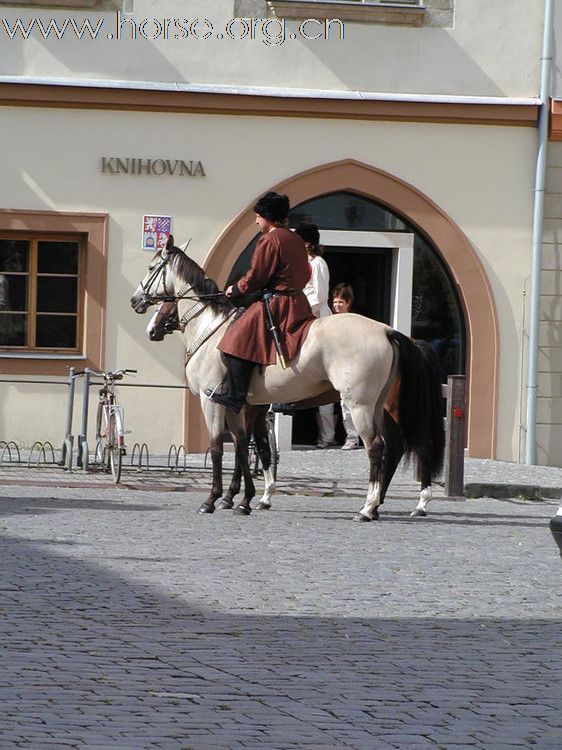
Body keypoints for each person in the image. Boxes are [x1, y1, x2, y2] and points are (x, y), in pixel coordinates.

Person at [205, 192, 314, 414]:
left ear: (267, 217)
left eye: (258, 217)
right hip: (299, 303)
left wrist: (235, 289)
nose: (256, 221)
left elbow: (257, 276)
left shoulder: (270, 239)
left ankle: (235, 396)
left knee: (233, 341)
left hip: (278, 304)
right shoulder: (295, 239)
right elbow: (305, 272)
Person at [295, 223, 337, 449]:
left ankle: (328, 436)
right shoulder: (302, 264)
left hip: (315, 317)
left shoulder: (319, 263)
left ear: (308, 243)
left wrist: (300, 313)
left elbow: (320, 296)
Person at [331, 282, 360, 450]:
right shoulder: (330, 320)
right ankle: (329, 437)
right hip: (334, 368)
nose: (336, 305)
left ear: (348, 303)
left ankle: (353, 437)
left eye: (340, 302)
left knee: (348, 403)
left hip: (349, 368)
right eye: (335, 302)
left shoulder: (352, 321)